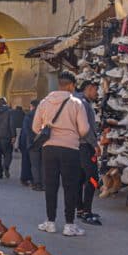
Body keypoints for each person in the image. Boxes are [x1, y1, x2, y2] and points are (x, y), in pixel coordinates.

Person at [32, 71, 90, 237]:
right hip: (70, 149)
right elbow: (84, 129)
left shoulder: (44, 102)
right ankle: (69, 225)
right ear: (71, 85)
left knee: (51, 185)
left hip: (49, 148)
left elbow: (36, 128)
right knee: (70, 187)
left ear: (59, 84)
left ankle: (50, 222)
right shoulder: (76, 103)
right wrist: (73, 133)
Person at [75, 80, 102, 225]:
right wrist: (95, 144)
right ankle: (86, 211)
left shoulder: (76, 100)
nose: (97, 93)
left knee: (80, 178)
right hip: (85, 146)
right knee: (92, 178)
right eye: (95, 90)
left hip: (77, 146)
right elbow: (85, 128)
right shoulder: (83, 104)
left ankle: (80, 209)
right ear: (89, 88)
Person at [19, 99, 42, 189]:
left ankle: (30, 180)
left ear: (32, 106)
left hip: (29, 142)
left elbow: (26, 130)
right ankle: (38, 180)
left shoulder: (28, 115)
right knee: (39, 163)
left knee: (29, 162)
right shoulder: (43, 114)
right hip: (41, 142)